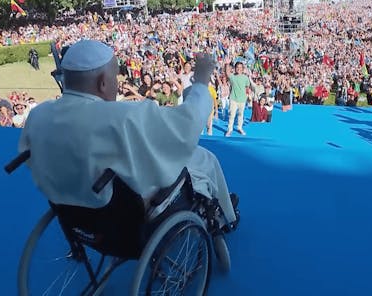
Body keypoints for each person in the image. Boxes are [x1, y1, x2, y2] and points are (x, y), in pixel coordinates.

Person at [18, 40, 238, 230]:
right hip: (123, 213)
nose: (118, 82)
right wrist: (200, 82)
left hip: (70, 211)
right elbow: (187, 123)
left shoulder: (38, 115)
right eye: (115, 77)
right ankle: (223, 218)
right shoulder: (125, 116)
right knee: (204, 158)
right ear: (102, 82)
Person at [225, 62, 250, 137]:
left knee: (240, 115)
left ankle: (240, 128)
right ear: (235, 68)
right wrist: (227, 64)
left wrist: (247, 96)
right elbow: (227, 72)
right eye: (237, 67)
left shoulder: (245, 78)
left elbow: (247, 87)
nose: (239, 69)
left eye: (240, 67)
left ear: (243, 69)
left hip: (242, 100)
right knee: (231, 115)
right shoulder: (232, 76)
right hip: (233, 99)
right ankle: (229, 130)